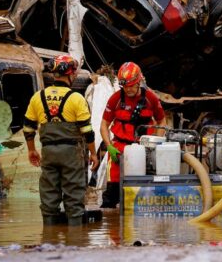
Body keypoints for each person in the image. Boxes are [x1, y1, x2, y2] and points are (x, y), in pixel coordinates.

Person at [23, 54, 99, 226]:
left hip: (48, 153)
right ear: (71, 74)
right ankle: (75, 239)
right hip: (71, 154)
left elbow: (28, 128)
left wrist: (31, 150)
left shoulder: (38, 97)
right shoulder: (76, 98)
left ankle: (49, 238)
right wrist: (94, 154)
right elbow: (87, 131)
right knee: (74, 198)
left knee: (49, 196)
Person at [99, 62, 165, 208]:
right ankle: (111, 227)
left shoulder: (151, 99)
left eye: (131, 86)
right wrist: (109, 146)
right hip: (119, 149)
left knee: (143, 194)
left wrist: (157, 143)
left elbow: (161, 120)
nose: (128, 89)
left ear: (139, 82)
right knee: (111, 195)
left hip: (144, 149)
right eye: (125, 86)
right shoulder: (115, 99)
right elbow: (104, 124)